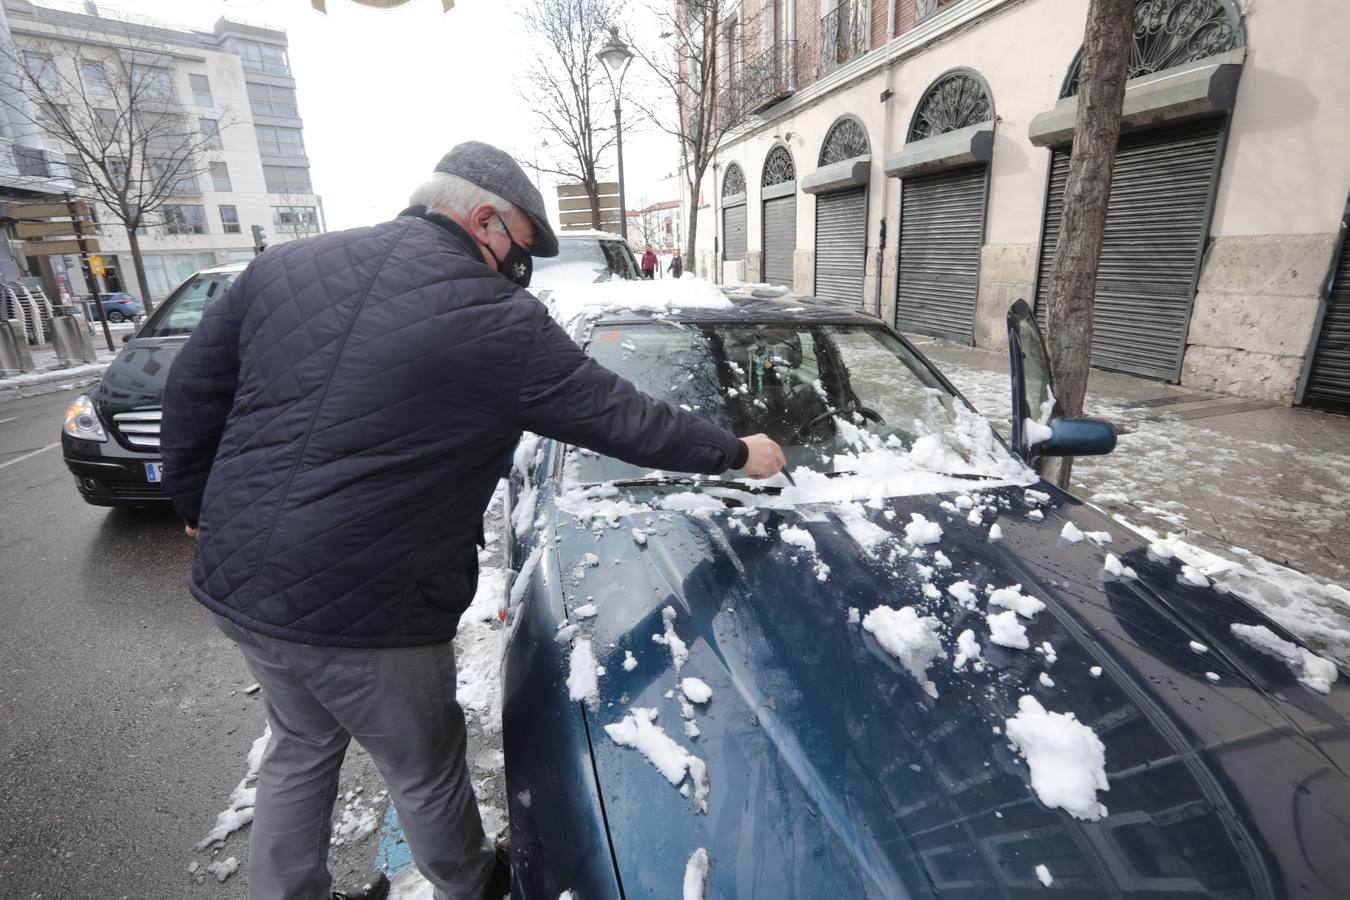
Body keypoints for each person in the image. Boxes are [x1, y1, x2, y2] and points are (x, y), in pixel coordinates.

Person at [159, 141, 785, 900]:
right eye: (520, 251)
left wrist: (196, 505)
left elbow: (191, 389)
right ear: (484, 219)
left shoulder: (284, 267)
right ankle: (473, 887)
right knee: (422, 770)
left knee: (300, 742)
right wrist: (734, 452)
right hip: (368, 607)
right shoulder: (494, 318)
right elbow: (621, 418)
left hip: (239, 585)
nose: (519, 272)